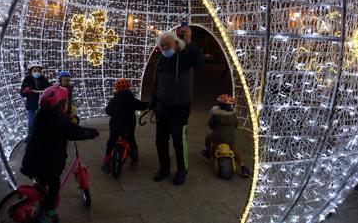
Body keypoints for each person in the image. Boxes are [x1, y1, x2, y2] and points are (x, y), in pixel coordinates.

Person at [21, 85, 99, 223]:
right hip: (48, 163)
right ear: (61, 104)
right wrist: (92, 132)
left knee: (42, 182)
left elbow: (58, 127)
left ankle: (40, 200)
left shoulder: (40, 114)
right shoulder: (60, 121)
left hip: (32, 159)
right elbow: (75, 132)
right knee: (54, 186)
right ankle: (47, 214)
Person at [152, 25, 204, 185]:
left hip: (180, 107)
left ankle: (182, 169)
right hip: (162, 106)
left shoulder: (184, 57)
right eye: (162, 45)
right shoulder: (161, 59)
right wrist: (154, 103)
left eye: (168, 44)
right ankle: (164, 168)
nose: (165, 47)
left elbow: (199, 62)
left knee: (178, 138)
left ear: (175, 43)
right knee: (160, 139)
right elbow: (157, 82)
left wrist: (189, 41)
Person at [102, 78, 149, 173]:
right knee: (131, 141)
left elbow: (108, 111)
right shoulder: (132, 99)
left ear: (117, 88)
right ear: (128, 88)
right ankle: (134, 159)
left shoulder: (114, 100)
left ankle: (106, 164)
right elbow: (142, 105)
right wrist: (148, 104)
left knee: (111, 143)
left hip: (115, 126)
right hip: (128, 126)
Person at [201, 94, 251, 178]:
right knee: (234, 150)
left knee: (208, 137)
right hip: (230, 139)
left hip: (217, 138)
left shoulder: (216, 114)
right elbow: (236, 124)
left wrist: (213, 126)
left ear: (219, 105)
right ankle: (243, 167)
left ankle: (208, 152)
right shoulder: (233, 115)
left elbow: (210, 124)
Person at [21, 61, 51, 141]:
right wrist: (25, 90)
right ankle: (30, 135)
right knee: (31, 121)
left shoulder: (43, 79)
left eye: (39, 71)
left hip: (42, 104)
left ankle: (43, 135)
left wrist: (51, 88)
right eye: (35, 71)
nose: (37, 72)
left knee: (44, 120)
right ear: (30, 72)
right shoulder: (27, 80)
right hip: (32, 104)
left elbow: (49, 86)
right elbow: (22, 93)